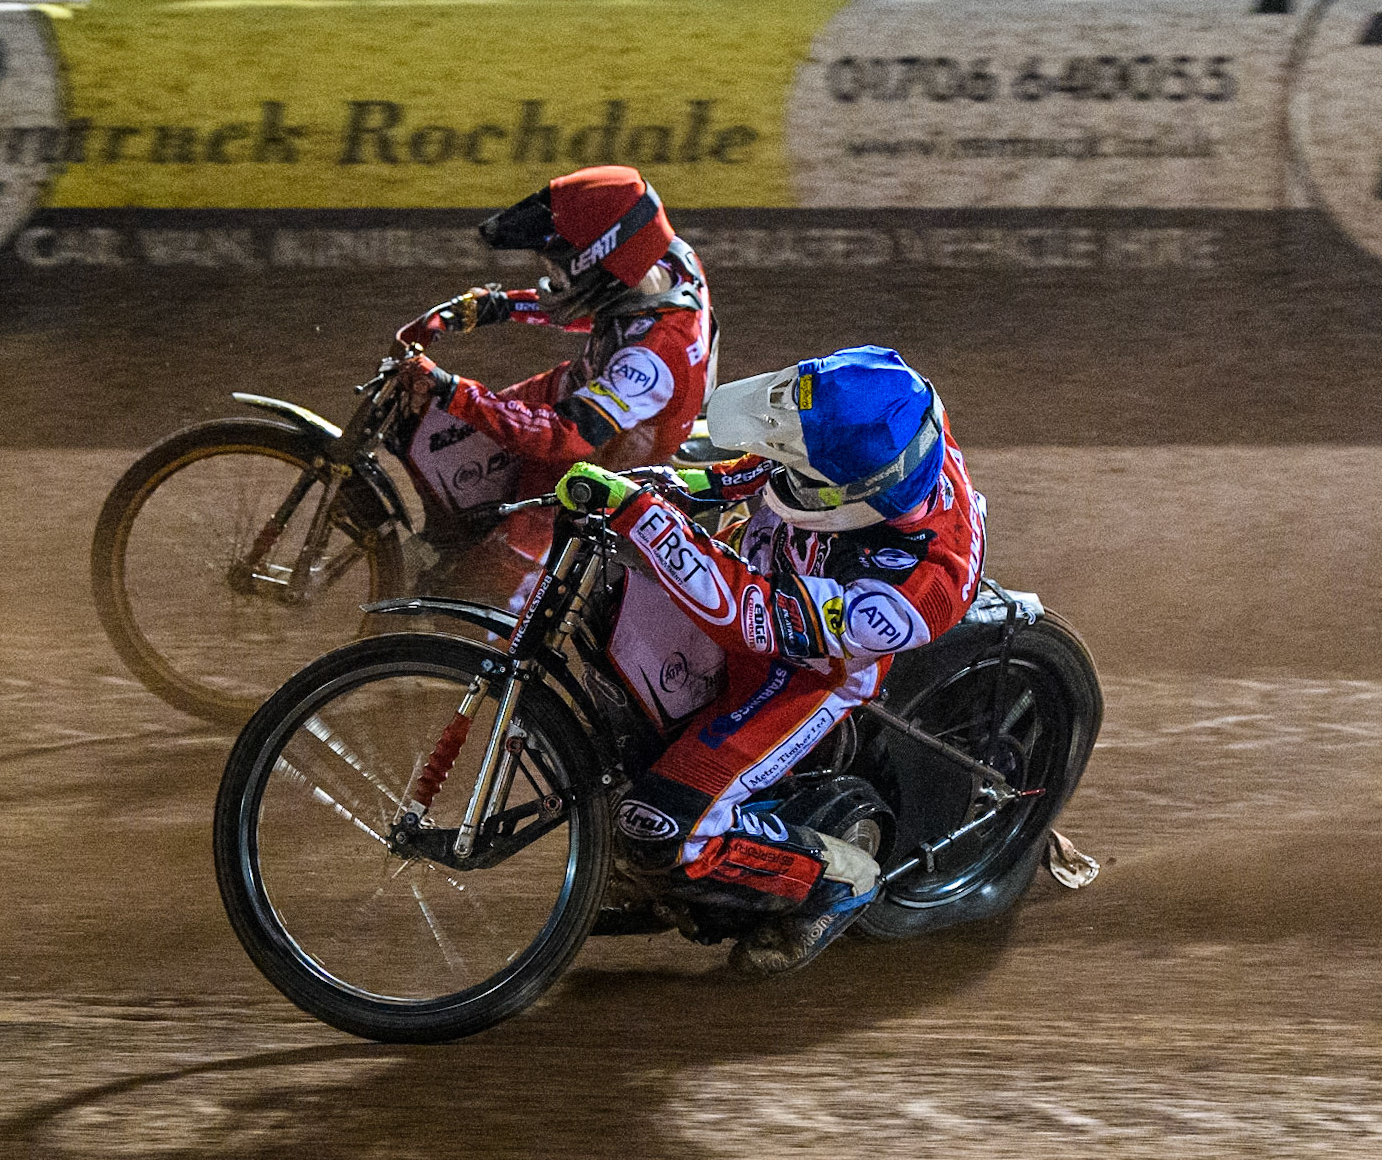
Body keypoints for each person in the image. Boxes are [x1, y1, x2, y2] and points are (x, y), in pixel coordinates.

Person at [553, 345, 987, 975]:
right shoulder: (889, 406)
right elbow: (780, 456)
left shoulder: (915, 590)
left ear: (850, 495)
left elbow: (750, 619)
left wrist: (647, 518)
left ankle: (843, 878)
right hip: (773, 567)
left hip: (811, 666)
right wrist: (678, 485)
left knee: (660, 825)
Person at [392, 165, 716, 604]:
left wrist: (454, 390)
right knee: (453, 442)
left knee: (493, 586)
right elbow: (604, 306)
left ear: (605, 260)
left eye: (560, 270)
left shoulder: (651, 360)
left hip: (602, 458)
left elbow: (565, 436)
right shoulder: (667, 259)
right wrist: (499, 306)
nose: (551, 278)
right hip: (582, 394)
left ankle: (479, 630)